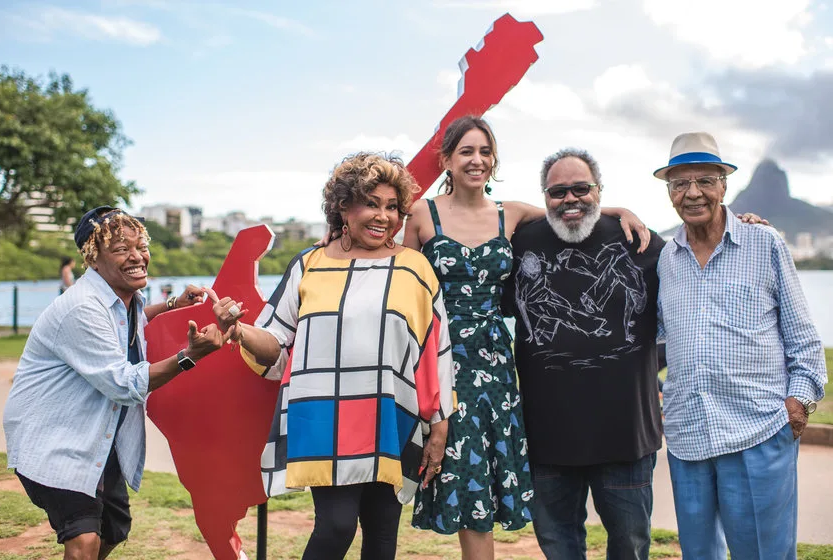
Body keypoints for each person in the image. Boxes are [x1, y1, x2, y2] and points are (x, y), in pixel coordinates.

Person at [403, 116, 652, 560]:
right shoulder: (423, 213)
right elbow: (399, 279)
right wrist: (338, 234)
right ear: (446, 160)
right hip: (443, 356)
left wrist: (618, 210)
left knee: (490, 477)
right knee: (461, 476)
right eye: (466, 152)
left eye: (485, 151)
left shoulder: (511, 213)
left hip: (497, 363)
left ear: (494, 160)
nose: (477, 160)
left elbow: (571, 209)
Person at [209, 153, 454, 560]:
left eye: (393, 207)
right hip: (325, 416)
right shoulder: (309, 264)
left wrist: (439, 424)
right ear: (343, 206)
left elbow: (435, 352)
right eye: (372, 203)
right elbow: (276, 341)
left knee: (381, 535)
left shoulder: (415, 269)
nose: (384, 216)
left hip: (392, 414)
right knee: (337, 526)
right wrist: (240, 332)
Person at [3, 207, 229, 560]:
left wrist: (172, 304)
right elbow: (123, 383)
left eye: (140, 245)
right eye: (122, 249)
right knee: (84, 541)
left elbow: (133, 320)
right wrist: (190, 356)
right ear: (94, 259)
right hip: (54, 439)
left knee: (114, 530)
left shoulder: (123, 299)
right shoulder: (82, 308)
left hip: (94, 438)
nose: (137, 256)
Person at [655, 132, 828, 559]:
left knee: (764, 553)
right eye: (680, 183)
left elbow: (803, 339)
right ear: (670, 192)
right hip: (688, 435)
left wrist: (799, 401)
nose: (692, 193)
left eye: (704, 180)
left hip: (758, 430)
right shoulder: (665, 259)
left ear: (724, 185)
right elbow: (658, 337)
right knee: (698, 553)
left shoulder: (764, 243)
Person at [503, 148, 665, 560]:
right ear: (544, 197)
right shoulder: (521, 243)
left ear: (599, 190)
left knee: (629, 547)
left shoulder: (638, 239)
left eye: (581, 188)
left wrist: (745, 226)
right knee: (559, 547)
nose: (570, 199)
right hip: (547, 438)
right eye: (558, 191)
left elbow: (696, 283)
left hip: (625, 437)